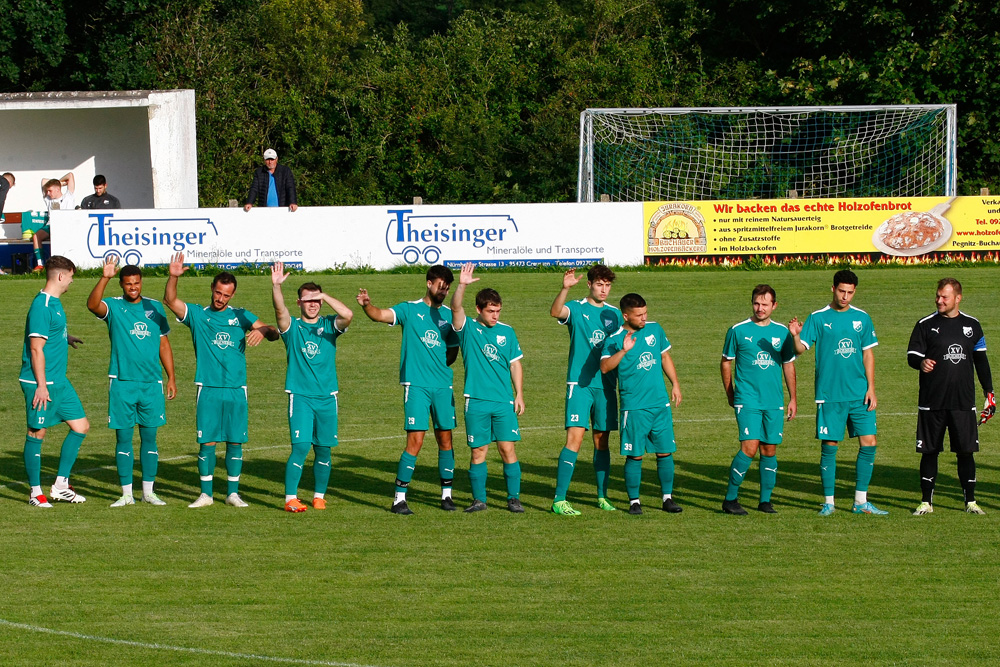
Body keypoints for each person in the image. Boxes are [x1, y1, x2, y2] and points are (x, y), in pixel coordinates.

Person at [163, 251, 279, 508]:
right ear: (212, 289)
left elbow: (274, 333)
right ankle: (206, 494)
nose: (221, 298)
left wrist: (261, 329)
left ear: (233, 295)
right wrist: (173, 277)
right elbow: (169, 300)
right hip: (209, 387)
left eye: (226, 295)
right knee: (207, 441)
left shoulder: (241, 315)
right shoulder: (198, 315)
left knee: (235, 440)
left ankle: (233, 493)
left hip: (237, 388)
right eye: (218, 292)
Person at [357, 266, 460, 514]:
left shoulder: (450, 316)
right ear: (428, 283)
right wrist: (366, 306)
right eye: (440, 286)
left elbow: (453, 351)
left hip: (443, 386)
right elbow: (379, 315)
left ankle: (446, 495)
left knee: (446, 439)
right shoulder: (410, 309)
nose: (443, 291)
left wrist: (438, 368)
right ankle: (399, 499)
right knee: (416, 440)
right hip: (416, 386)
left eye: (447, 287)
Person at [789, 269, 886, 516]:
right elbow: (800, 349)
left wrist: (871, 388)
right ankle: (829, 502)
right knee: (830, 445)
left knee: (869, 442)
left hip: (859, 394)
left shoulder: (862, 318)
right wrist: (795, 335)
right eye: (841, 291)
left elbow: (868, 353)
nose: (845, 296)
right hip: (830, 395)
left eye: (850, 292)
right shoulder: (818, 317)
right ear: (832, 289)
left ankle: (860, 501)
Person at [87, 257, 176, 507]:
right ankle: (126, 493)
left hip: (151, 384)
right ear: (121, 285)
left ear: (141, 282)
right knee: (123, 439)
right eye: (128, 284)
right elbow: (92, 305)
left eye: (136, 283)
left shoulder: (155, 307)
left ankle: (148, 492)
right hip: (122, 383)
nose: (133, 287)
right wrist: (104, 277)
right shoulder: (113, 307)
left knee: (150, 439)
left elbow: (163, 343)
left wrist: (171, 377)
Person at [907, 278, 994, 516]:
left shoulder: (972, 326)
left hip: (963, 402)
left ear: (957, 298)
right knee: (929, 451)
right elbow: (912, 355)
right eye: (937, 296)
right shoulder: (925, 324)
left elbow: (981, 361)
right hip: (932, 402)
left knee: (966, 452)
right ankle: (926, 502)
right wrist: (921, 362)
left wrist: (989, 391)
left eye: (944, 297)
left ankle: (971, 502)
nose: (939, 300)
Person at [271, 262, 353, 512]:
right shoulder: (292, 327)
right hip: (301, 397)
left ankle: (319, 496)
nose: (313, 304)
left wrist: (325, 295)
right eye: (308, 300)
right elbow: (279, 311)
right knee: (301, 447)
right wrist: (276, 286)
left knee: (324, 449)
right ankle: (290, 499)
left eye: (316, 300)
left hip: (328, 397)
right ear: (299, 303)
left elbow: (348, 315)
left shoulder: (329, 325)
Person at [451, 263, 525, 513]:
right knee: (478, 450)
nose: (495, 315)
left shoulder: (508, 332)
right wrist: (462, 284)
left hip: (503, 401)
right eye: (491, 311)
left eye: (498, 311)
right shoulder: (468, 328)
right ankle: (479, 500)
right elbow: (456, 307)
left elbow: (515, 365)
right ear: (479, 309)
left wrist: (519, 395)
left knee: (507, 449)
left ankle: (513, 498)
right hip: (477, 401)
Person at [549, 265, 623, 516]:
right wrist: (564, 288)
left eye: (608, 285)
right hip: (579, 385)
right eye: (600, 284)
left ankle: (602, 496)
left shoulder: (615, 314)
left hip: (606, 385)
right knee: (575, 439)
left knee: (602, 442)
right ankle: (559, 500)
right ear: (589, 284)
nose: (604, 290)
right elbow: (555, 312)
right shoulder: (577, 308)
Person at [600, 293, 683, 515]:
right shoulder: (615, 338)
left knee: (665, 451)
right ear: (625, 315)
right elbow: (606, 367)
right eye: (639, 315)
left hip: (659, 403)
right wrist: (624, 350)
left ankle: (667, 498)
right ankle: (634, 501)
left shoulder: (655, 329)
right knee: (635, 455)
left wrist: (675, 384)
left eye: (645, 313)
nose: (644, 318)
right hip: (634, 406)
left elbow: (665, 357)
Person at [720, 285, 797, 515]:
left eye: (765, 304)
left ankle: (765, 501)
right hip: (748, 398)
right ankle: (730, 499)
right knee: (749, 447)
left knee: (769, 449)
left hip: (773, 400)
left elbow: (788, 364)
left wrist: (793, 398)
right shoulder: (738, 330)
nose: (760, 308)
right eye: (756, 303)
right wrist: (730, 392)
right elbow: (726, 362)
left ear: (774, 305)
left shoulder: (782, 332)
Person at [19, 255, 89, 507]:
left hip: (59, 381)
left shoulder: (56, 304)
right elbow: (36, 349)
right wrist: (40, 385)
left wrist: (65, 338)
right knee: (37, 433)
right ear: (61, 276)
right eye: (71, 276)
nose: (71, 281)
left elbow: (49, 332)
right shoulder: (42, 305)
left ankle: (61, 485)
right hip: (41, 383)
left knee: (81, 426)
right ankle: (35, 492)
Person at [32, 172, 75, 271]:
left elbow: (70, 175)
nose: (48, 193)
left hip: (66, 226)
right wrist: (58, 183)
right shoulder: (48, 199)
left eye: (50, 191)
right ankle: (40, 264)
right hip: (51, 226)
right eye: (47, 191)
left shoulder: (68, 196)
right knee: (36, 236)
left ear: (58, 189)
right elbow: (43, 180)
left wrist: (59, 182)